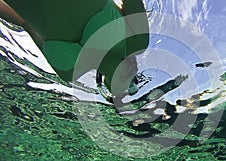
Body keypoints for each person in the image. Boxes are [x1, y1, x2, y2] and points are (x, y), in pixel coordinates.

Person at [0, 0, 149, 101]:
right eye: (134, 81)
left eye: (122, 93)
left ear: (104, 85)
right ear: (135, 66)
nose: (129, 86)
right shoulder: (137, 42)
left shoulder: (68, 73)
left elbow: (25, 23)